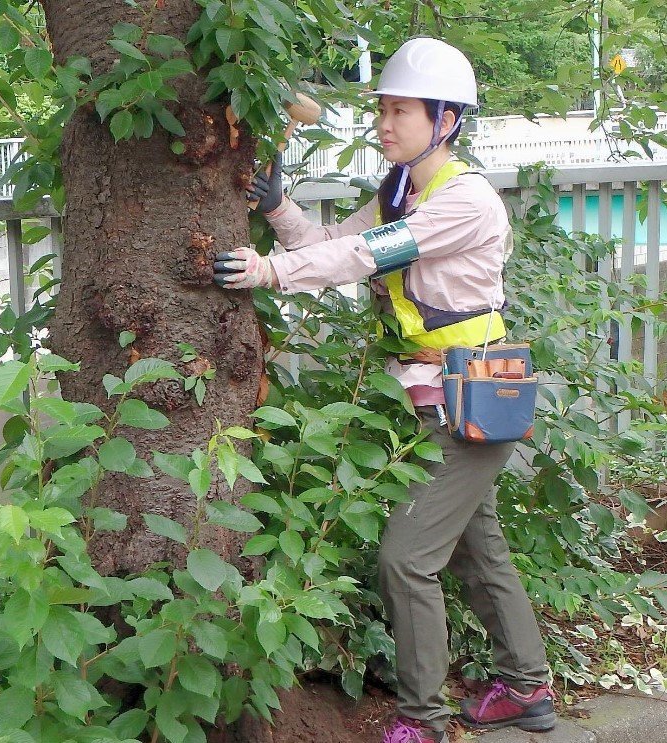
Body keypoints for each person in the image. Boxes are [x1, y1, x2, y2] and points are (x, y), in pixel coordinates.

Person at [213, 37, 554, 743]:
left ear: (446, 119)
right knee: (475, 549)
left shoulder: (464, 200)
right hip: (433, 395)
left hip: (474, 393)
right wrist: (278, 211)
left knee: (405, 556)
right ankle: (526, 686)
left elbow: (366, 255)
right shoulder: (401, 191)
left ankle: (421, 721)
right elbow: (333, 238)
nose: (384, 124)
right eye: (382, 111)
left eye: (400, 111)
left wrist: (269, 272)